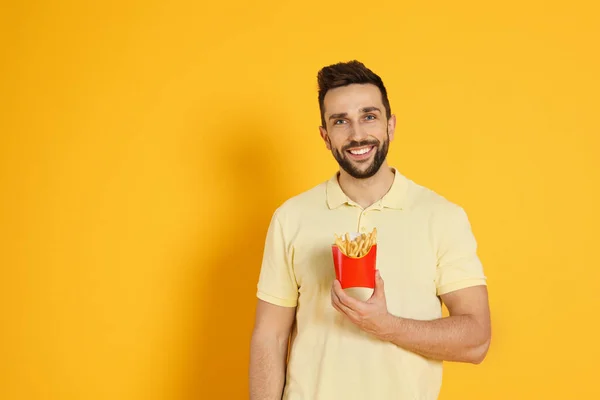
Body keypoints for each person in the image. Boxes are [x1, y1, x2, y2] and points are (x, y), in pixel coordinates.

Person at [248, 60, 491, 400]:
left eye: (369, 116)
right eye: (340, 121)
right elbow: (269, 337)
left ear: (390, 125)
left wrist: (386, 325)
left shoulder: (442, 217)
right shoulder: (291, 217)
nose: (357, 134)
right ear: (325, 135)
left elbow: (476, 339)